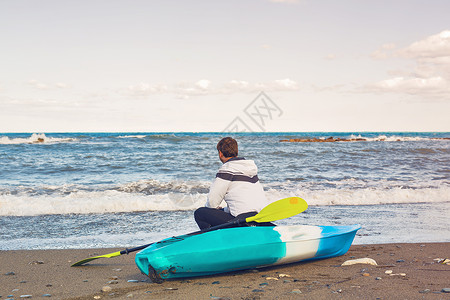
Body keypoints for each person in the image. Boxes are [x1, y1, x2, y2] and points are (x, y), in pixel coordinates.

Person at [194, 137, 272, 230]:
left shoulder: (227, 169)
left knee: (200, 213)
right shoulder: (250, 169)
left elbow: (212, 202)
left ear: (220, 153)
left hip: (243, 221)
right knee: (223, 210)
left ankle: (216, 241)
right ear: (236, 151)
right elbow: (243, 201)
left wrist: (212, 210)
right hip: (259, 217)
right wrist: (223, 210)